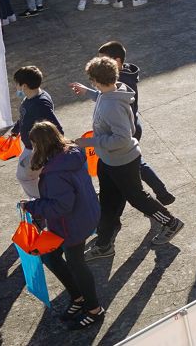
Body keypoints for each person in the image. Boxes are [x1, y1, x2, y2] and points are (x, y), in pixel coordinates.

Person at [74, 57, 183, 260]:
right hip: (108, 160)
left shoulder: (111, 106)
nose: (92, 84)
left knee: (138, 198)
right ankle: (105, 244)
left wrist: (90, 142)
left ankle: (171, 222)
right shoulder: (114, 92)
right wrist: (87, 92)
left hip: (122, 161)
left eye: (91, 81)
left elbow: (122, 139)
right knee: (107, 201)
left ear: (96, 80)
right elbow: (103, 97)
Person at [20, 122, 104, 331]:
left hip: (71, 225)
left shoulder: (55, 172)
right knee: (50, 256)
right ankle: (78, 296)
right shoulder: (70, 154)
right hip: (83, 216)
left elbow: (61, 206)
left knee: (76, 264)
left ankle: (94, 309)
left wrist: (32, 206)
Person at [9, 66, 62, 198]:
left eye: (17, 84)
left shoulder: (41, 104)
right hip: (30, 146)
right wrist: (16, 130)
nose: (16, 87)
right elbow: (24, 116)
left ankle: (41, 201)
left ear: (24, 86)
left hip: (37, 149)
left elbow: (57, 128)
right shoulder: (30, 97)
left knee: (24, 177)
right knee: (31, 174)